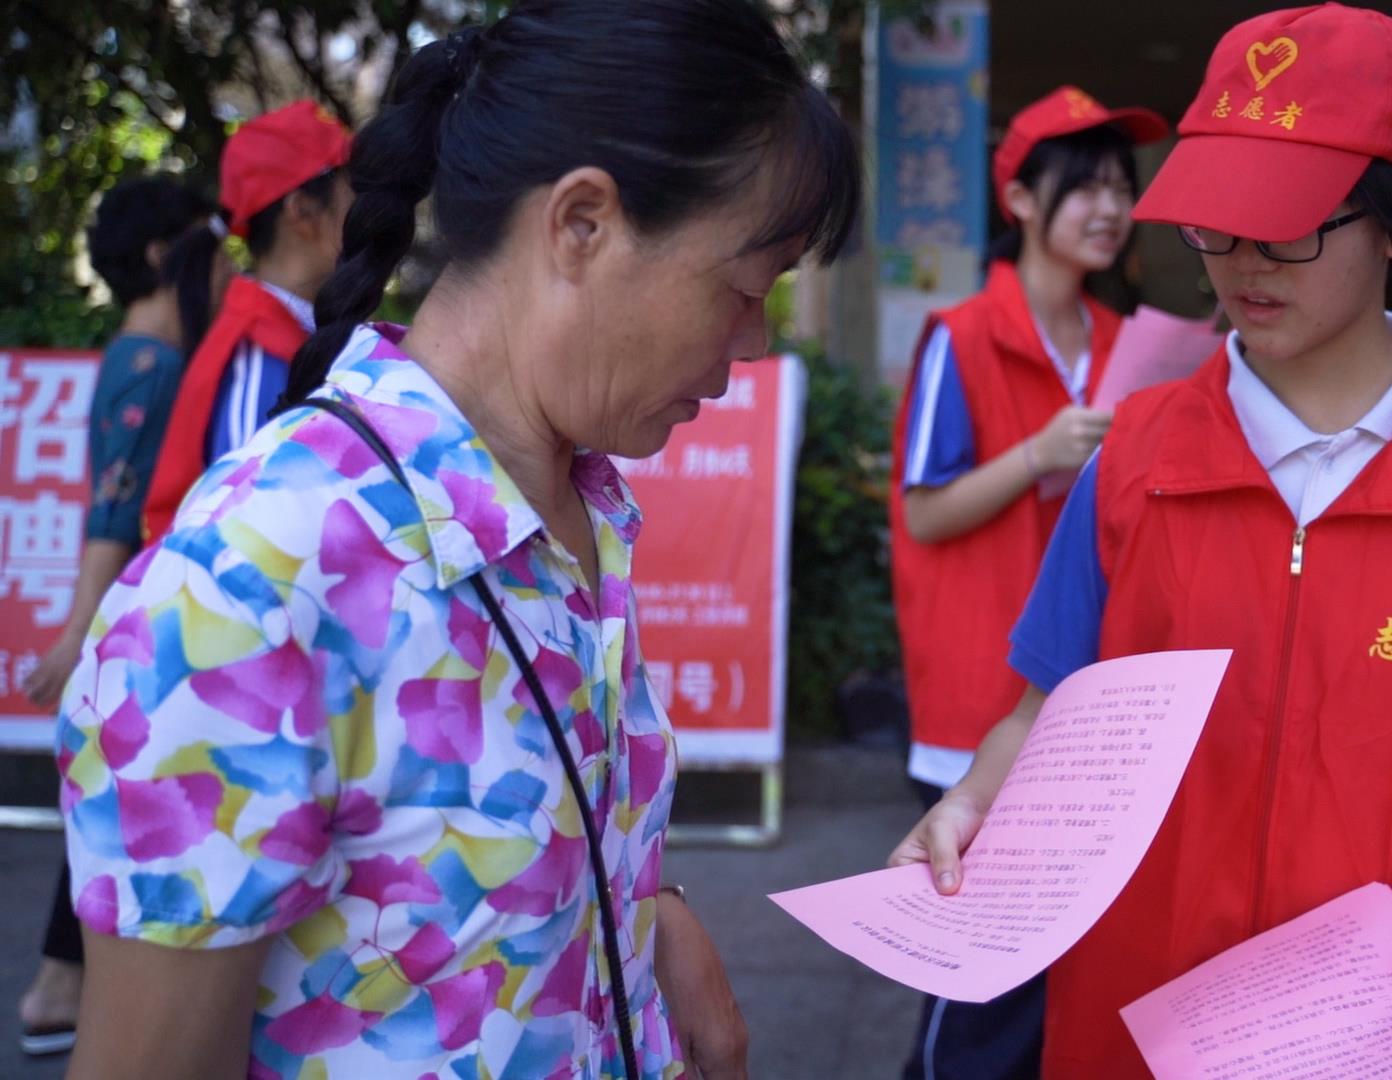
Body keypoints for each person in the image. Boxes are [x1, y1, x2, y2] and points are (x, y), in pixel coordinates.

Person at [55, 1, 859, 1077]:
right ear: (582, 224)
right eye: (743, 289)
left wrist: (651, 911)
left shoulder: (580, 505)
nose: (753, 343)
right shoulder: (248, 588)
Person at [889, 5, 1392, 1077]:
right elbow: (1041, 716)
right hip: (1136, 1009)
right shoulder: (1132, 459)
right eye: (1214, 223)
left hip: (1387, 1018)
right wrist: (968, 803)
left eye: (1288, 227)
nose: (1242, 266)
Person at [886, 85, 1165, 1080]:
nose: (1108, 209)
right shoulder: (961, 336)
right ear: (1019, 202)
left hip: (1090, 698)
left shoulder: (1133, 341)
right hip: (978, 695)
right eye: (1082, 188)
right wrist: (1040, 454)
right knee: (980, 979)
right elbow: (922, 512)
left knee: (1060, 962)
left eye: (1121, 189)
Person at [15, 175, 228, 1057]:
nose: (223, 263)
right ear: (160, 254)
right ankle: (60, 987)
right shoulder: (154, 362)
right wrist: (76, 632)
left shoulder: (141, 356)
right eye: (212, 238)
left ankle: (67, 987)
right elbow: (115, 506)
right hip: (138, 609)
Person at [140, 97, 353, 539]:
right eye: (355, 185)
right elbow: (245, 544)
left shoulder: (290, 335)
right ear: (302, 211)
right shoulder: (259, 361)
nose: (368, 204)